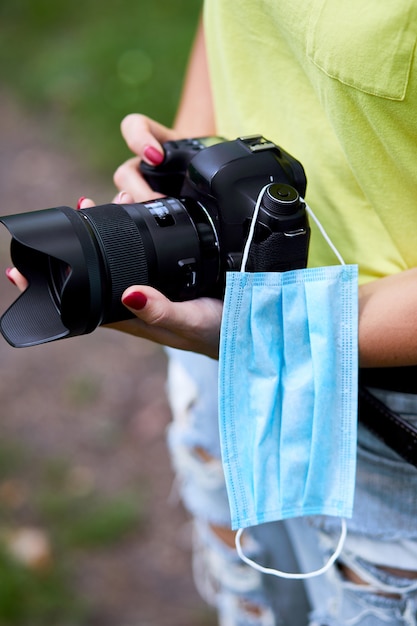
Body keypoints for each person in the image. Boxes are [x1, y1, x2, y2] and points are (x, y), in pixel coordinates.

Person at [8, 2, 417, 625]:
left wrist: (289, 328)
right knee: (252, 600)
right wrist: (183, 156)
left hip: (383, 403)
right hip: (229, 336)